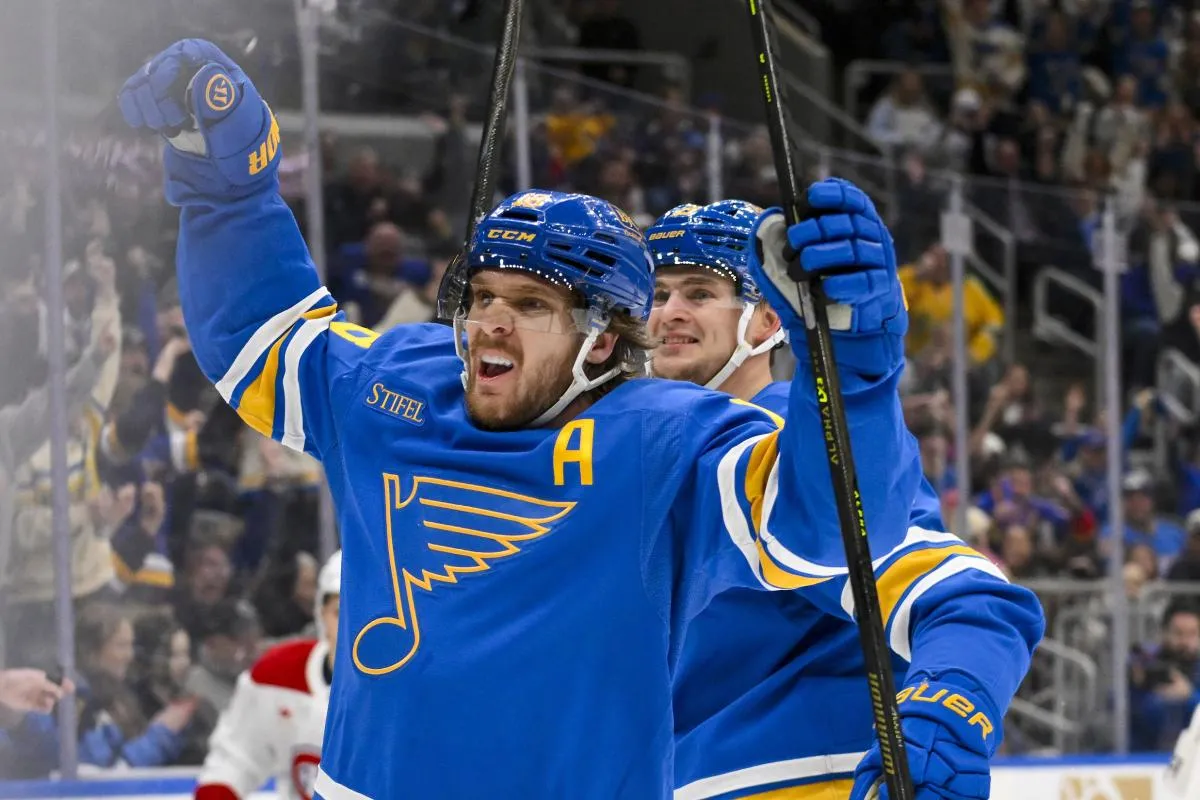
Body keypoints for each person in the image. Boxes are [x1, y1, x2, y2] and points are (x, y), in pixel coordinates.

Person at [118, 40, 1043, 800]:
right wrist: (228, 181)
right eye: (479, 295)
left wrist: (857, 374)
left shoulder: (686, 443)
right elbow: (264, 337)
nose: (487, 321)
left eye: (527, 303)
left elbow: (848, 539)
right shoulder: (403, 381)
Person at [646, 201, 1042, 798]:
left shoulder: (799, 448)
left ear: (766, 322)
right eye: (658, 295)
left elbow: (972, 604)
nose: (670, 312)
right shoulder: (639, 455)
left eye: (699, 293)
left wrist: (946, 713)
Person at [195, 550, 340, 799]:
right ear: (321, 614)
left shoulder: (411, 694)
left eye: (364, 615)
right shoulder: (277, 674)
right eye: (339, 612)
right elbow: (235, 760)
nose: (352, 626)